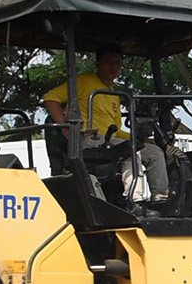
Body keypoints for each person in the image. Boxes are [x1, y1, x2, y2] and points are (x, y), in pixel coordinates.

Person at [42, 44, 169, 204]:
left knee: (154, 152)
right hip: (89, 138)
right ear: (98, 63)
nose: (113, 67)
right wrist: (65, 127)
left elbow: (117, 131)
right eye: (108, 62)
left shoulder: (114, 93)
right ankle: (134, 200)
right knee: (131, 150)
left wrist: (139, 139)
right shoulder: (84, 81)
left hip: (109, 140)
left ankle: (160, 200)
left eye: (117, 63)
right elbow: (50, 97)